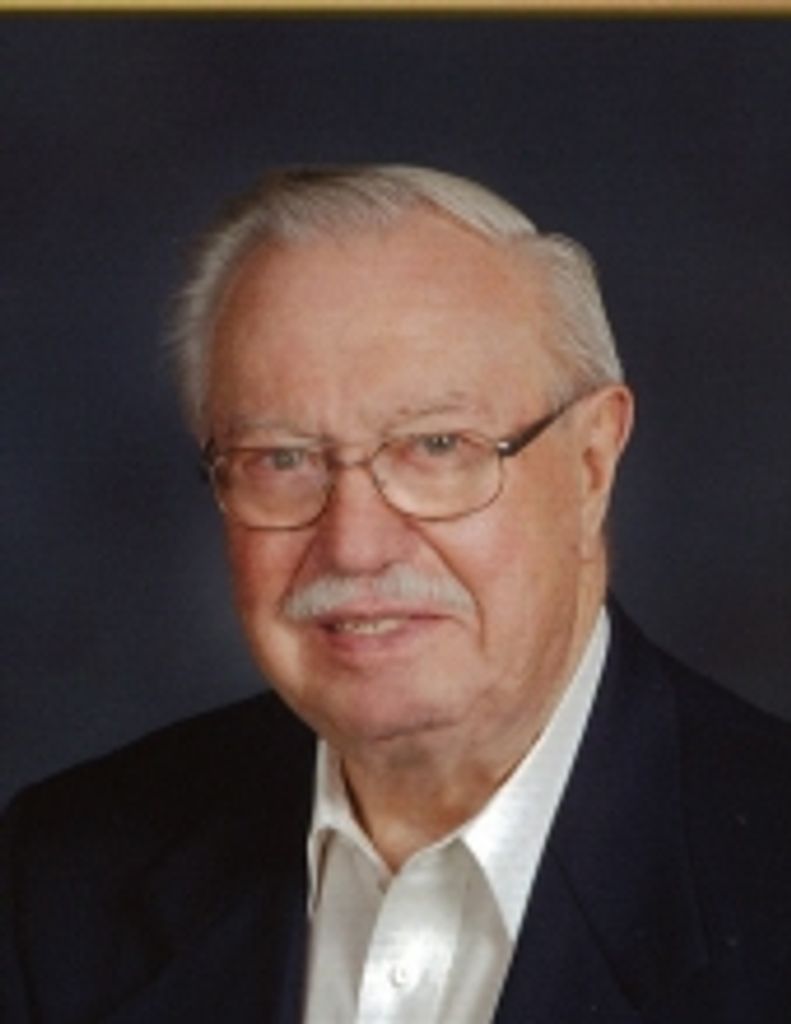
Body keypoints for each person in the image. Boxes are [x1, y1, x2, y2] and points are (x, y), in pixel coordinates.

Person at [2, 165, 790, 1024]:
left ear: (591, 463)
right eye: (281, 459)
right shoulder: (62, 879)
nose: (355, 544)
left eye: (437, 446)